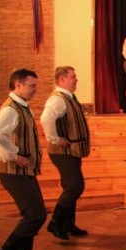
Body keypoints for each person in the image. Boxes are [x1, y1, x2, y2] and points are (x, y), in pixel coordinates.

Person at [0, 69, 47, 250]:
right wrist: (13, 156)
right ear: (18, 85)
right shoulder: (11, 109)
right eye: (31, 85)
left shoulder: (22, 107)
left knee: (34, 214)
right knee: (35, 215)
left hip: (24, 172)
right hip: (13, 173)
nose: (35, 89)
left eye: (35, 85)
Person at [40, 66, 91, 240]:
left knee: (70, 187)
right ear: (62, 79)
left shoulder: (67, 98)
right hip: (63, 151)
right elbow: (46, 118)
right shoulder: (58, 99)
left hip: (71, 151)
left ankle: (67, 224)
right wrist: (55, 139)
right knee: (75, 186)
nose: (76, 80)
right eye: (72, 77)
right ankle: (55, 222)